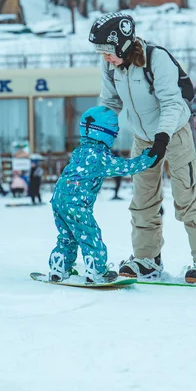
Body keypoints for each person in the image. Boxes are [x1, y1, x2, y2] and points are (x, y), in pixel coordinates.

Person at [88, 12, 196, 284]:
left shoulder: (157, 59)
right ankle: (147, 259)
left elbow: (173, 103)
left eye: (108, 51)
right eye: (100, 52)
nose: (105, 57)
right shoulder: (111, 66)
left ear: (124, 43)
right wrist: (97, 134)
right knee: (142, 202)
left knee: (185, 199)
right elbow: (111, 103)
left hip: (174, 133)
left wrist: (163, 138)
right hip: (142, 138)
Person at [48, 105, 156, 284]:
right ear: (108, 133)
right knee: (90, 235)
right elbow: (125, 167)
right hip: (77, 204)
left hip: (58, 199)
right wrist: (146, 159)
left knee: (67, 236)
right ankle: (95, 270)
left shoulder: (79, 151)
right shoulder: (100, 156)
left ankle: (59, 267)